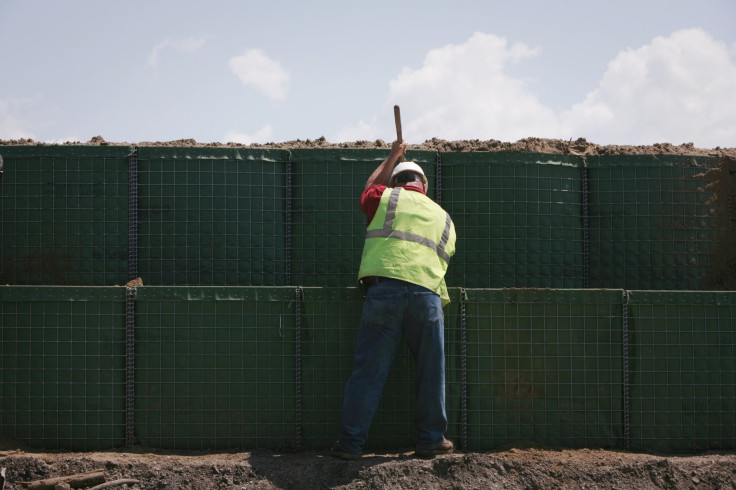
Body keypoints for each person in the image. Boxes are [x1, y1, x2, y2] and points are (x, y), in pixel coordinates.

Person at [332, 139, 457, 460]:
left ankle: (350, 445)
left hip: (384, 291)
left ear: (396, 182)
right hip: (427, 298)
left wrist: (393, 155)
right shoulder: (444, 218)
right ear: (423, 187)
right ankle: (431, 439)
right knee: (432, 372)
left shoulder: (384, 196)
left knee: (368, 372)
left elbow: (369, 188)